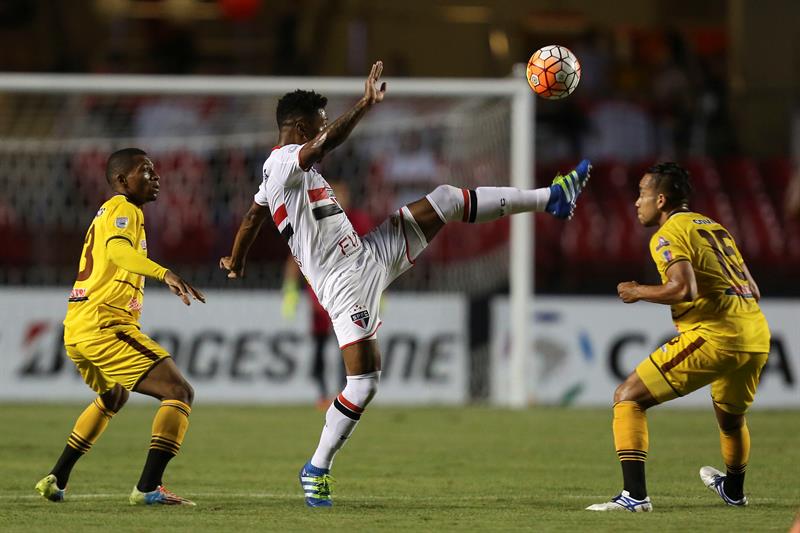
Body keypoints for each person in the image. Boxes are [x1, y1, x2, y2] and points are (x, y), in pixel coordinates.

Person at [220, 61, 591, 507]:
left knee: (446, 199)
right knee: (364, 384)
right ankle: (316, 467)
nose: (324, 130)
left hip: (367, 253)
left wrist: (236, 258)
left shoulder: (275, 175)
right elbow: (322, 145)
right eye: (318, 122)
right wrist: (363, 105)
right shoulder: (283, 160)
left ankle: (551, 198)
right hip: (343, 284)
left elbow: (253, 215)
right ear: (300, 127)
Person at [587, 162, 770, 512]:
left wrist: (638, 290)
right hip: (756, 334)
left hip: (717, 335)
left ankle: (634, 497)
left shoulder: (668, 234)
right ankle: (733, 489)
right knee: (730, 419)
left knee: (627, 398)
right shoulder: (715, 227)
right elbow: (754, 290)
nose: (635, 202)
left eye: (640, 194)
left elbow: (684, 289)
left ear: (660, 199)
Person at [35, 148, 205, 506]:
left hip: (78, 326)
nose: (155, 177)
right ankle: (148, 488)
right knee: (179, 392)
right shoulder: (122, 208)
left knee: (113, 395)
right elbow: (116, 252)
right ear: (122, 181)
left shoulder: (115, 212)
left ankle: (56, 477)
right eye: (146, 171)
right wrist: (165, 273)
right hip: (104, 324)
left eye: (155, 170)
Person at [280, 179, 373, 408]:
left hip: (351, 294)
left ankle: (347, 392)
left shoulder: (358, 221)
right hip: (321, 295)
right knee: (320, 346)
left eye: (344, 195)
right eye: (336, 195)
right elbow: (295, 258)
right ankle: (322, 393)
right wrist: (290, 293)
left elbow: (371, 253)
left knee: (349, 345)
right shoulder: (313, 221)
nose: (340, 199)